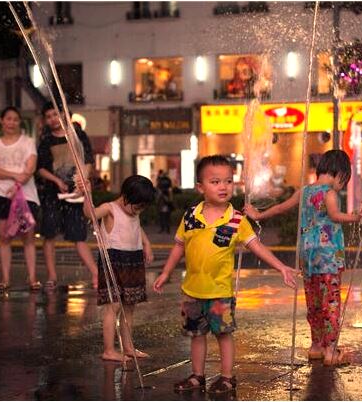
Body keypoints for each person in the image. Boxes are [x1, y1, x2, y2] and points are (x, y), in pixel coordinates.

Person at [153, 155, 297, 395]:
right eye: (215, 182)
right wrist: (166, 271)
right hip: (192, 291)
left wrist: (281, 267)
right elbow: (179, 245)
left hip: (220, 292)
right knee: (196, 335)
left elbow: (257, 246)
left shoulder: (237, 220)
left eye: (228, 181)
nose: (223, 186)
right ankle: (197, 375)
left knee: (223, 334)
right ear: (200, 187)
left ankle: (228, 377)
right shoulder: (191, 216)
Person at [244, 150, 362, 366]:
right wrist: (355, 217)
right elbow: (334, 215)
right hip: (328, 258)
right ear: (339, 174)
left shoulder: (305, 191)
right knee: (330, 303)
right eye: (344, 181)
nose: (342, 186)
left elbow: (281, 208)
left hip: (308, 257)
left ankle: (316, 346)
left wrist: (258, 215)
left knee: (315, 303)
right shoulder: (330, 193)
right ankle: (331, 351)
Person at [77, 174, 155, 362]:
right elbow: (90, 214)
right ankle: (109, 350)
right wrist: (87, 193)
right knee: (113, 306)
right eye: (137, 206)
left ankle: (128, 347)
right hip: (114, 259)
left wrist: (146, 243)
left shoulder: (134, 211)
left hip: (133, 259)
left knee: (129, 306)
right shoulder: (109, 208)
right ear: (126, 196)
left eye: (142, 207)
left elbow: (137, 226)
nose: (139, 211)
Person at [37, 101, 98, 289]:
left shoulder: (78, 135)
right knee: (49, 235)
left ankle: (96, 274)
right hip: (53, 195)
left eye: (56, 114)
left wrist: (81, 181)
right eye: (48, 116)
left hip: (76, 194)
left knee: (78, 236)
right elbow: (41, 168)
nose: (53, 119)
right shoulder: (46, 140)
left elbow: (88, 161)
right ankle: (52, 276)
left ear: (64, 114)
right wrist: (57, 181)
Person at [0, 107, 41, 291]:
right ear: (1, 121)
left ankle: (32, 278)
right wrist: (15, 176)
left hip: (26, 196)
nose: (12, 122)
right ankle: (5, 278)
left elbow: (30, 168)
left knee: (28, 238)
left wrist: (17, 184)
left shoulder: (28, 142)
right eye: (8, 119)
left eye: (15, 119)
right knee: (5, 238)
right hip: (1, 194)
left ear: (20, 122)